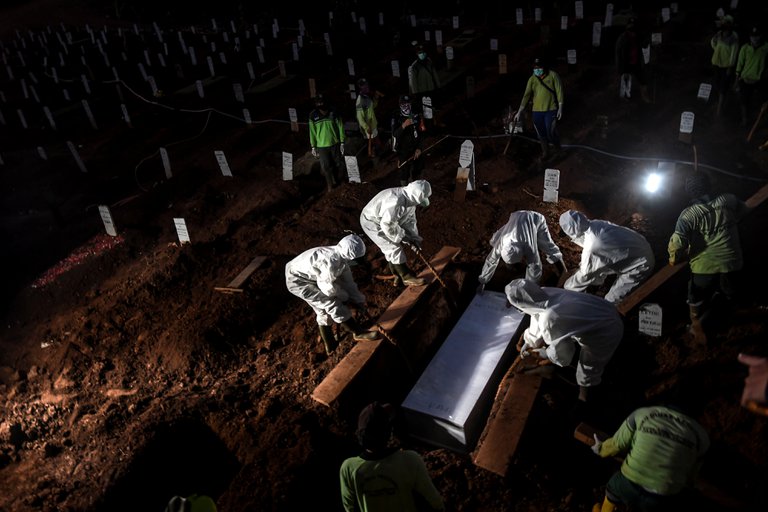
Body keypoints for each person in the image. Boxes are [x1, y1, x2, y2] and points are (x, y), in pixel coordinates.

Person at [505, 278, 624, 402]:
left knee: (588, 367)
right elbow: (536, 314)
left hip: (607, 331)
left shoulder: (550, 318)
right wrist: (530, 340)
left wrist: (542, 353)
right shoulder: (545, 292)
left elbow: (563, 355)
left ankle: (584, 397)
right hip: (605, 309)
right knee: (566, 337)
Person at [668, 173, 749, 341]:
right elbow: (744, 210)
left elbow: (676, 245)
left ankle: (696, 327)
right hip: (733, 262)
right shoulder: (728, 200)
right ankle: (726, 313)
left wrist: (674, 260)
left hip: (704, 268)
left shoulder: (688, 215)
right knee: (729, 292)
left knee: (695, 295)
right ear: (709, 186)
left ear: (689, 192)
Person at [590, 400, 710, 512]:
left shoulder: (642, 414)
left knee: (614, 488)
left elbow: (617, 444)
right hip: (661, 497)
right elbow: (690, 476)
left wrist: (600, 449)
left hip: (628, 483)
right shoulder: (702, 437)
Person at [339, 402, 445, 512]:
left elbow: (349, 507)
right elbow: (434, 500)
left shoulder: (349, 468)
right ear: (388, 432)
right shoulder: (409, 460)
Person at [285, 234, 380, 355]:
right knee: (330, 303)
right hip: (297, 281)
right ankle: (358, 332)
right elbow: (328, 289)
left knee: (323, 309)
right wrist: (344, 297)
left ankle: (329, 343)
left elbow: (348, 283)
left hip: (310, 275)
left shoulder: (341, 258)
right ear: (349, 257)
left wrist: (358, 300)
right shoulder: (330, 262)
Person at [559, 210, 655, 305]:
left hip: (640, 264)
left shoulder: (593, 246)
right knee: (597, 267)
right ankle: (595, 286)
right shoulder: (596, 224)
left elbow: (585, 274)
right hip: (640, 246)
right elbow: (601, 259)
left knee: (611, 301)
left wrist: (567, 288)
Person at [360, 180, 431, 287]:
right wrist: (403, 237)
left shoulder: (410, 200)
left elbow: (409, 221)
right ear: (415, 197)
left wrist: (414, 238)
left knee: (392, 247)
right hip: (371, 221)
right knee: (392, 247)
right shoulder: (396, 201)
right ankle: (406, 276)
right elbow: (387, 225)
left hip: (385, 220)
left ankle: (398, 274)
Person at [477, 210, 566, 292]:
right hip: (516, 217)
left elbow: (535, 268)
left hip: (535, 219)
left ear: (523, 256)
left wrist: (528, 291)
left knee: (548, 246)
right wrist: (482, 281)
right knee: (494, 239)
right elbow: (491, 260)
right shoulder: (502, 242)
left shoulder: (529, 247)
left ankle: (563, 270)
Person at [514, 57, 564, 158]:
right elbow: (526, 95)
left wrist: (560, 107)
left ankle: (558, 150)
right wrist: (519, 111)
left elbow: (559, 91)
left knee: (550, 131)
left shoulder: (553, 75)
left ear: (544, 67)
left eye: (539, 67)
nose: (537, 69)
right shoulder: (532, 79)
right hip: (537, 111)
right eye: (535, 68)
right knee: (541, 133)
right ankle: (545, 152)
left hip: (550, 109)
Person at [309, 93, 347, 191]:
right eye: (319, 102)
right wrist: (313, 146)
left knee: (339, 163)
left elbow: (340, 126)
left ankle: (341, 181)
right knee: (326, 166)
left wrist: (342, 141)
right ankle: (330, 185)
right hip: (321, 146)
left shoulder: (334, 112)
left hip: (335, 143)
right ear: (316, 103)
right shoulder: (313, 115)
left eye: (322, 101)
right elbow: (312, 132)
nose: (321, 104)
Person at [735, 27, 768, 127]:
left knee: (762, 101)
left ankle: (760, 120)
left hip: (759, 79)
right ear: (750, 37)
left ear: (760, 36)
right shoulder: (745, 48)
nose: (755, 39)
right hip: (746, 79)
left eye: (757, 36)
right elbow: (740, 64)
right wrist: (736, 79)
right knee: (744, 101)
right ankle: (745, 120)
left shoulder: (766, 48)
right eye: (753, 36)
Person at [392, 95, 427, 185]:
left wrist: (419, 148)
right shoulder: (396, 117)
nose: (406, 107)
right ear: (400, 105)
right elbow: (395, 134)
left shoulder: (416, 115)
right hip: (403, 150)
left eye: (408, 104)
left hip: (416, 149)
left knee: (418, 169)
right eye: (404, 105)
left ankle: (417, 189)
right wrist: (403, 125)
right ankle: (404, 191)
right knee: (404, 173)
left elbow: (422, 134)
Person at [614, 17, 651, 103]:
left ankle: (644, 97)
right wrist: (620, 69)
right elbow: (618, 54)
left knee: (643, 80)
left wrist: (648, 39)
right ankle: (625, 99)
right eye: (630, 30)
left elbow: (645, 44)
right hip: (626, 64)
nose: (632, 32)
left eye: (633, 30)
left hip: (637, 63)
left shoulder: (638, 36)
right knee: (626, 81)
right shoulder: (622, 39)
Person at [710, 15, 739, 116]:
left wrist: (730, 67)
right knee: (717, 84)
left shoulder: (734, 37)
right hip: (716, 63)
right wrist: (715, 45)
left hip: (726, 66)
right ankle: (719, 104)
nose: (725, 25)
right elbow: (713, 44)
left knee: (723, 86)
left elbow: (733, 54)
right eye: (724, 23)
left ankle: (719, 109)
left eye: (727, 23)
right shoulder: (719, 34)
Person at [356, 78, 385, 158]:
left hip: (372, 124)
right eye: (365, 86)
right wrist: (366, 127)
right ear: (361, 88)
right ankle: (376, 161)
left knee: (376, 141)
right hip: (369, 126)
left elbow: (372, 107)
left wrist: (376, 97)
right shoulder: (360, 100)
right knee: (373, 144)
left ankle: (379, 157)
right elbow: (359, 117)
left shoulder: (366, 97)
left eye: (367, 85)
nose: (367, 87)